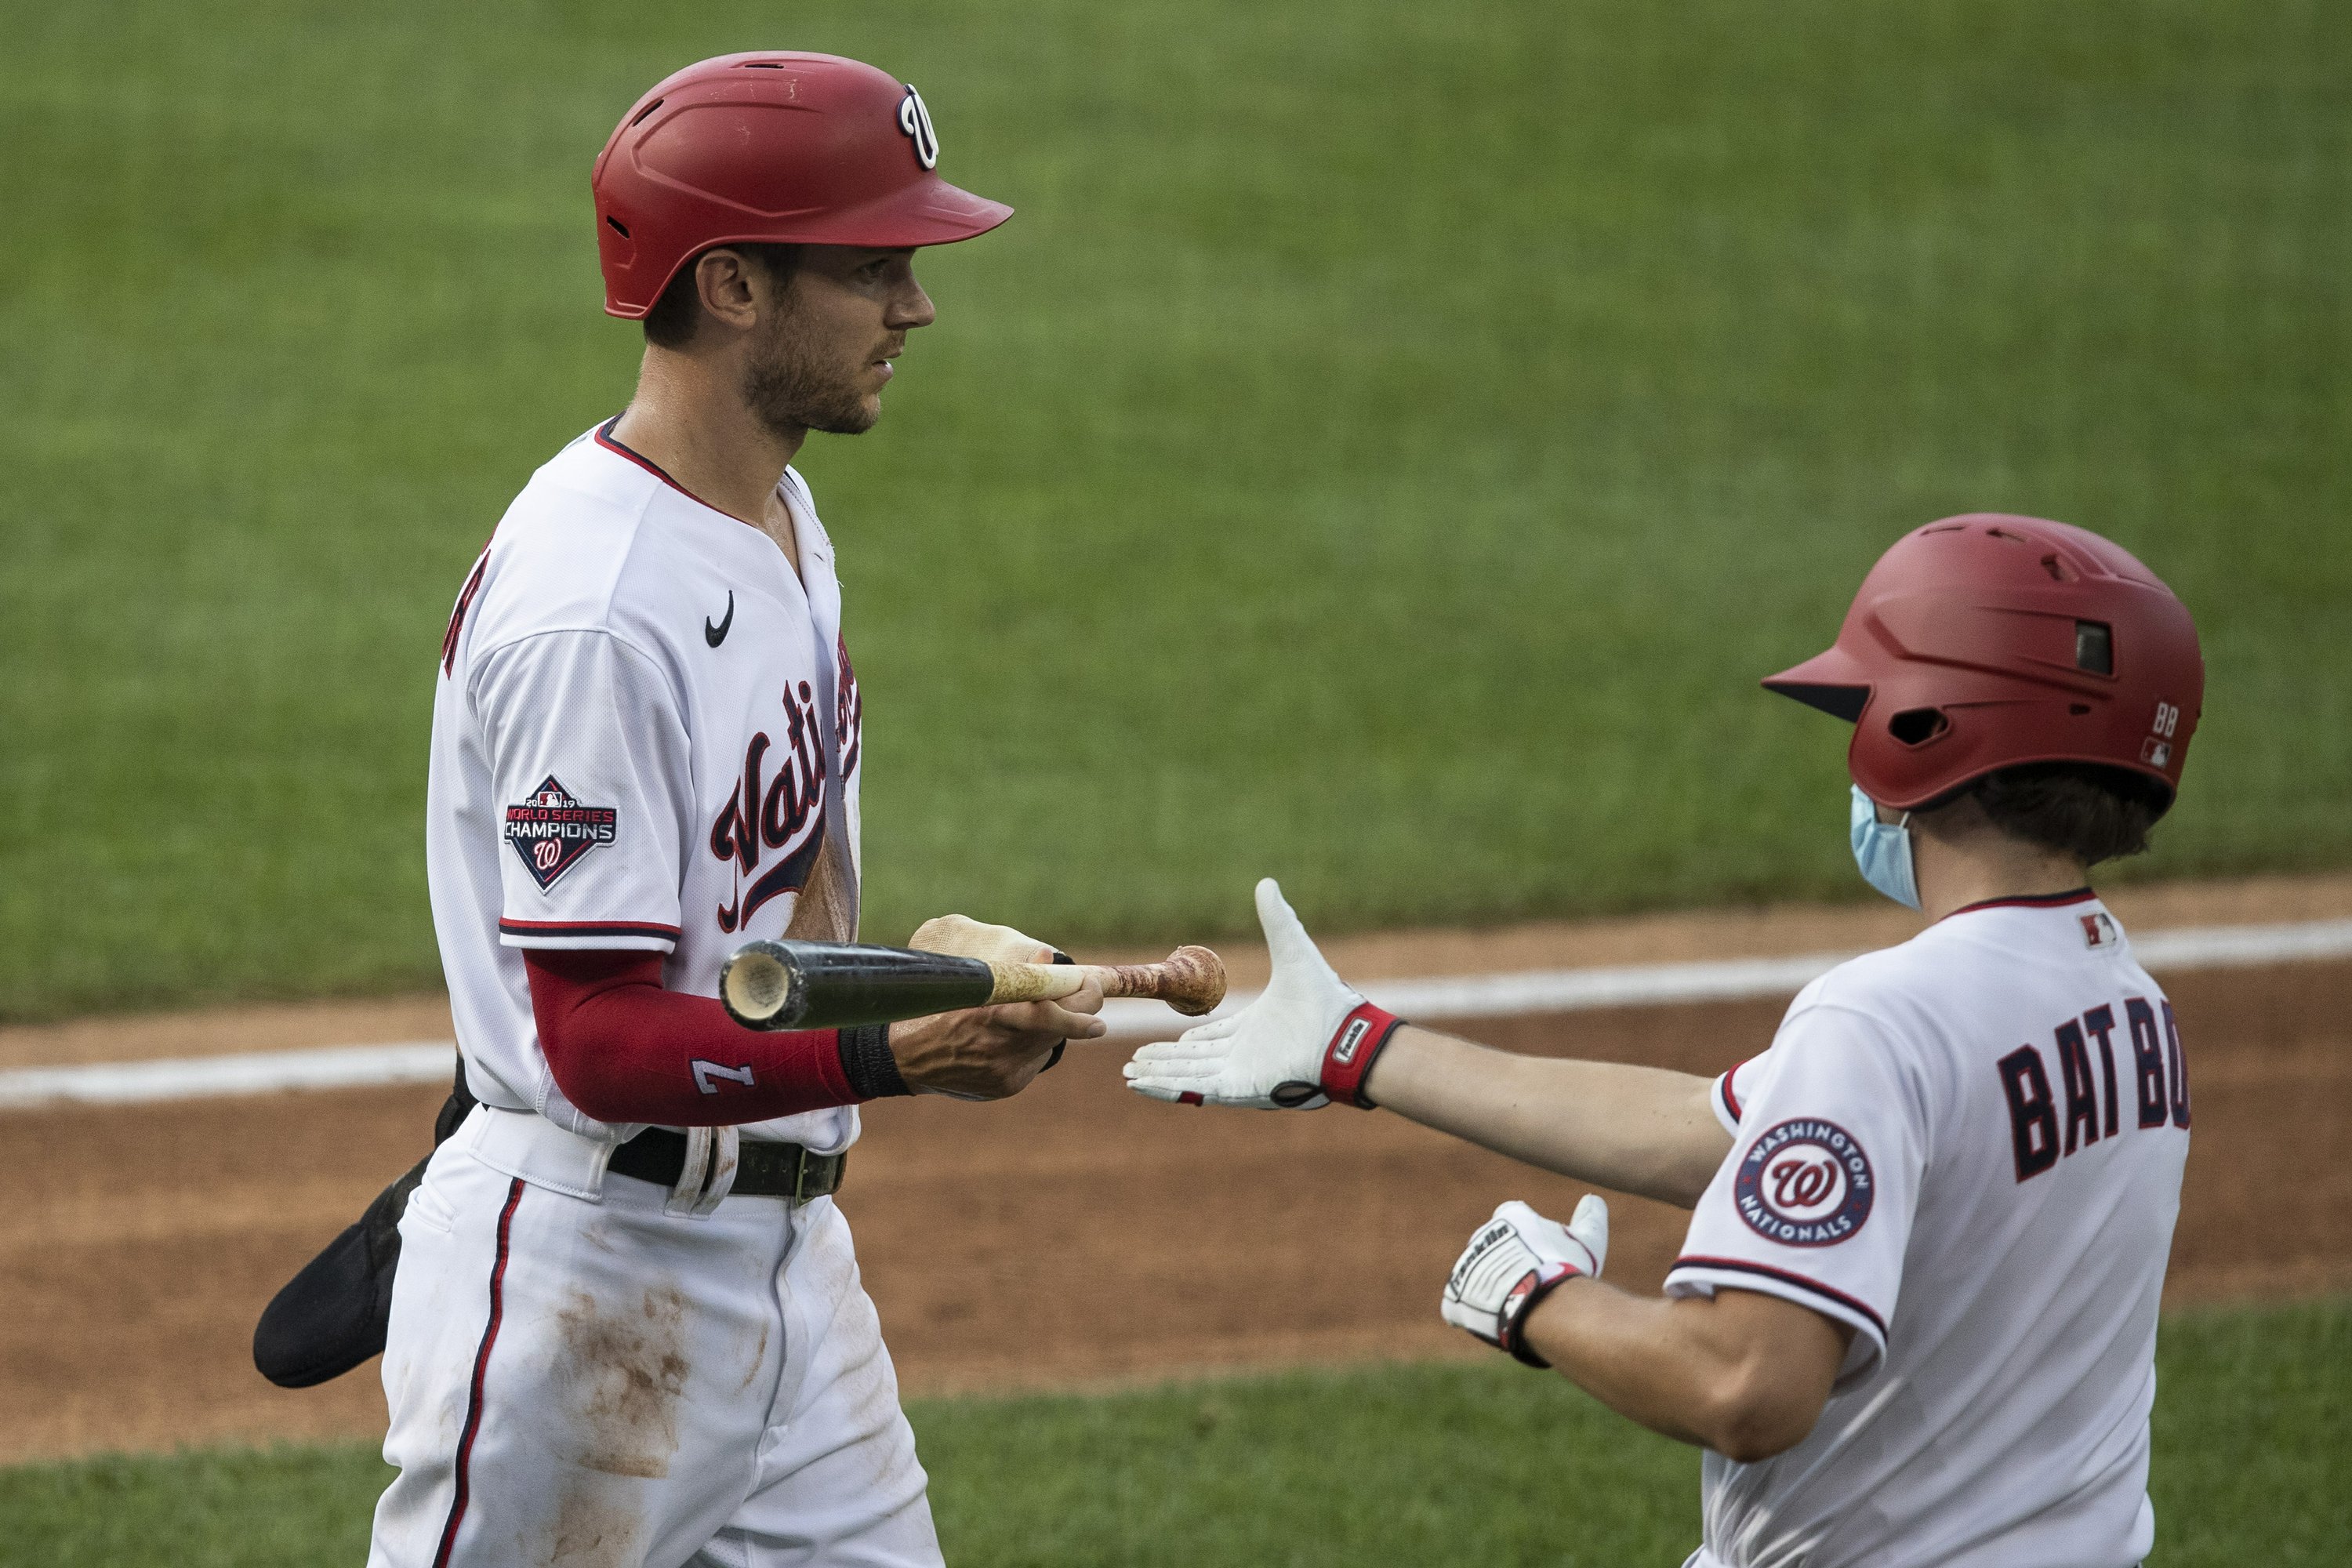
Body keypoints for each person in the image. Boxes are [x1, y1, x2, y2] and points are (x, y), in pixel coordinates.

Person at [1127, 514, 2204, 1567]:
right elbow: (1711, 1129)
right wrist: (1360, 1046)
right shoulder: (2127, 1006)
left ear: (1929, 727)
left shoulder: (1886, 1020)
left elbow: (1746, 1389)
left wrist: (1537, 1299)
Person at [363, 53, 1105, 1568]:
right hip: (588, 1298)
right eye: (873, 263)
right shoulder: (597, 613)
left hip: (788, 1264)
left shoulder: (776, 508)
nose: (918, 303)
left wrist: (925, 964)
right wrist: (898, 1051)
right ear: (735, 287)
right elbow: (596, 1038)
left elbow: (757, 920)